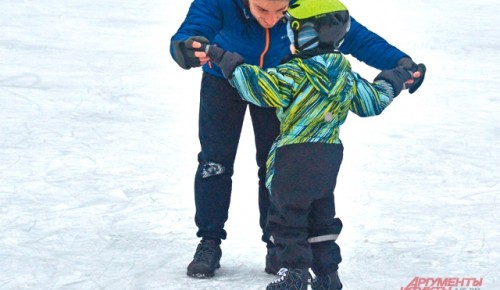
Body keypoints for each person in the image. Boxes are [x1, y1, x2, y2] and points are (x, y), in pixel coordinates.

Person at [169, 0, 426, 279]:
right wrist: (186, 45)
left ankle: (276, 245)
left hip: (282, 85)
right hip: (223, 80)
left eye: (281, 13)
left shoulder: (306, 5)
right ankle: (209, 241)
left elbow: (352, 35)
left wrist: (399, 62)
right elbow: (193, 27)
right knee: (214, 163)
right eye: (261, 10)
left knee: (277, 169)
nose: (270, 20)